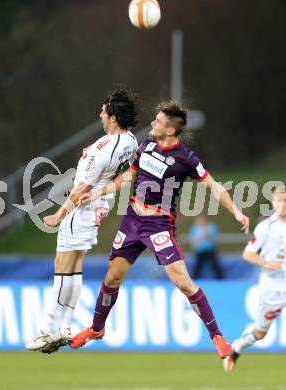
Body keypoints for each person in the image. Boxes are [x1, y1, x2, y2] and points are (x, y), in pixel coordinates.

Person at [70, 101, 249, 359]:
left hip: (158, 225)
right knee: (112, 278)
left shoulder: (186, 159)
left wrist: (236, 211)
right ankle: (97, 329)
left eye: (158, 121)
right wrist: (98, 191)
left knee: (183, 283)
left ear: (170, 131)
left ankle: (217, 336)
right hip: (132, 220)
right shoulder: (147, 145)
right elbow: (129, 176)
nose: (152, 122)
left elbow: (214, 186)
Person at [25, 86, 139, 353]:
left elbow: (80, 189)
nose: (100, 114)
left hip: (82, 209)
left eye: (103, 111)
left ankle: (48, 329)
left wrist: (59, 213)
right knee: (73, 266)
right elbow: (128, 175)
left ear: (113, 117)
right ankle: (63, 326)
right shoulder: (131, 141)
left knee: (63, 266)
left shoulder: (103, 148)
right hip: (100, 207)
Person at [223, 185, 286, 371]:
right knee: (260, 333)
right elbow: (248, 254)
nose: (283, 204)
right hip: (273, 288)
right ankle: (237, 347)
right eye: (279, 200)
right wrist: (266, 264)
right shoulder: (266, 227)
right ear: (273, 203)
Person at [189, 215, 223, 279]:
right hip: (200, 250)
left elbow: (216, 240)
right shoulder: (194, 228)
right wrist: (202, 236)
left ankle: (220, 279)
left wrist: (208, 234)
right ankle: (194, 279)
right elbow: (193, 241)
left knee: (215, 265)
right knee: (197, 266)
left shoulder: (212, 227)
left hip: (210, 250)